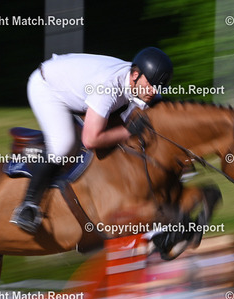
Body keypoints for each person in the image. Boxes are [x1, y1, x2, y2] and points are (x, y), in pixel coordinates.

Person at [10, 47, 173, 233]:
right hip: (47, 87)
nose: (153, 91)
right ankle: (28, 206)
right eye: (151, 85)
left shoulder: (141, 80)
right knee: (63, 145)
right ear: (135, 75)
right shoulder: (108, 87)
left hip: (72, 80)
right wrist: (127, 132)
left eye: (158, 87)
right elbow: (90, 140)